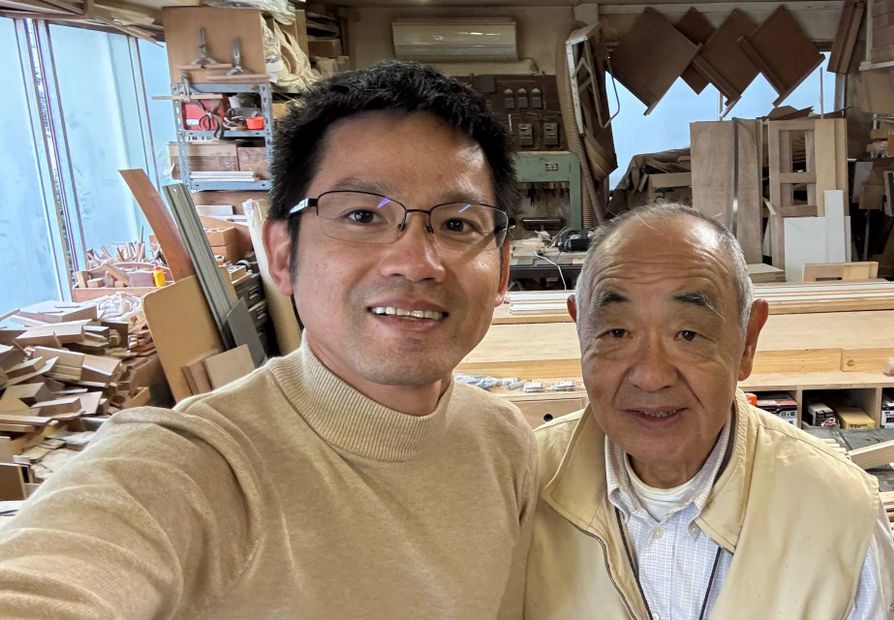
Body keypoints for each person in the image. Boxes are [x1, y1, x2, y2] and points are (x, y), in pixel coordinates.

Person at [0, 61, 537, 618]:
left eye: (457, 224)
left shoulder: (502, 442)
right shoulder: (194, 467)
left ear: (501, 272)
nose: (416, 262)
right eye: (361, 215)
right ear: (281, 255)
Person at [525, 204, 894, 619]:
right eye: (617, 331)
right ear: (580, 330)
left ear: (747, 342)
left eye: (688, 334)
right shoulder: (522, 485)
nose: (651, 377)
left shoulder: (843, 513)